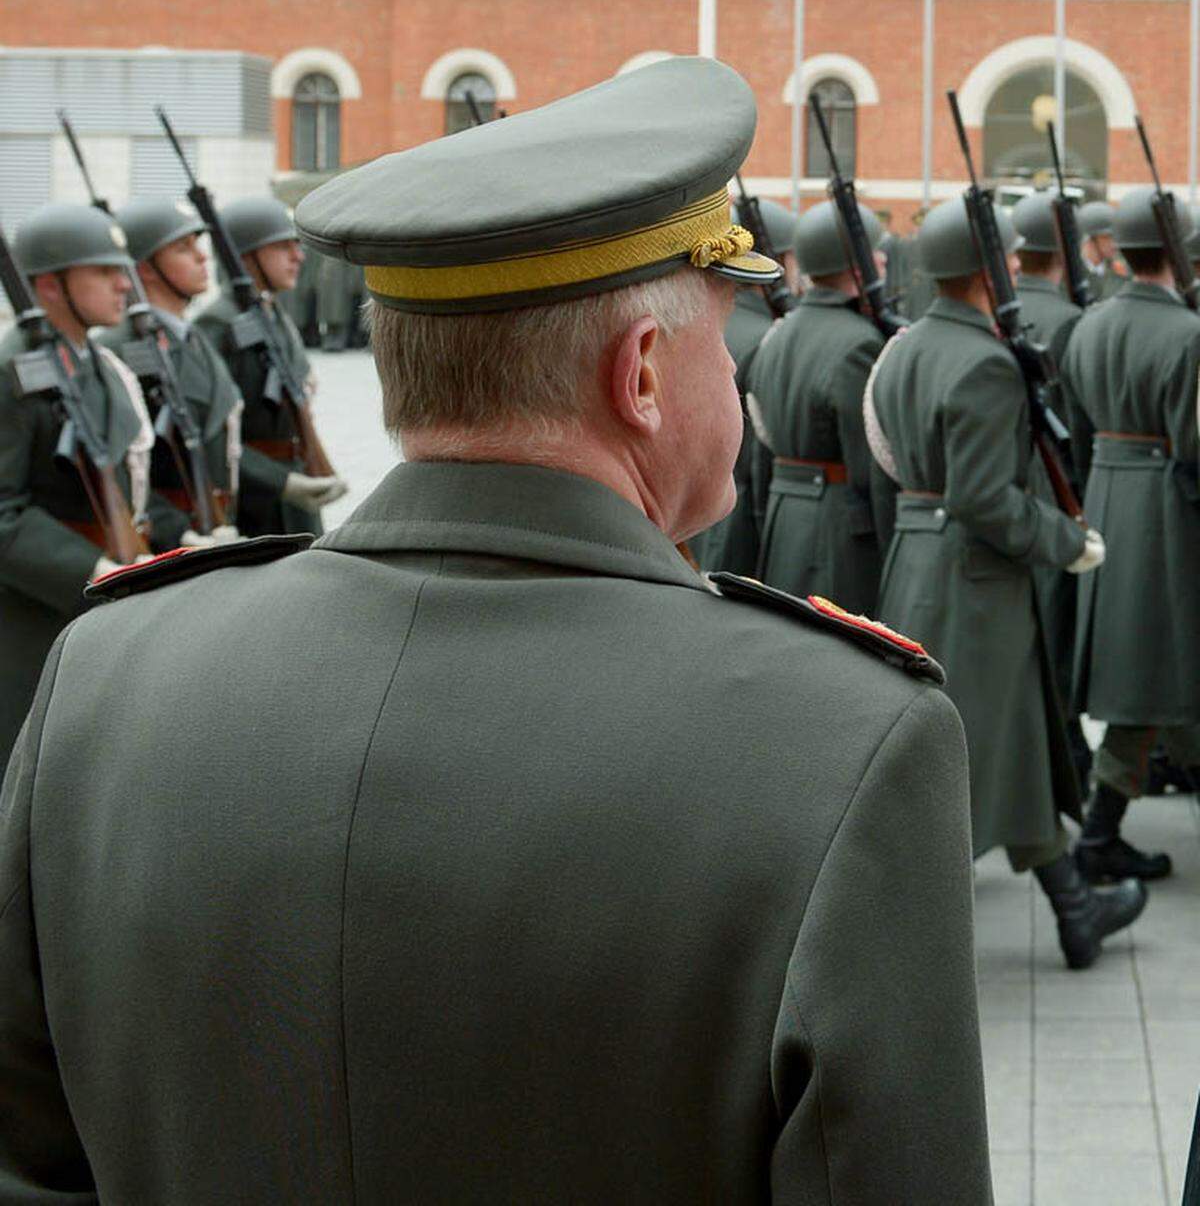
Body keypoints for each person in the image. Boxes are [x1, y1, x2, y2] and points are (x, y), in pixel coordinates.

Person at [0, 58, 992, 1204]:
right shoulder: (850, 741)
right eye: (723, 334)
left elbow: (31, 1160)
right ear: (643, 375)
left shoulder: (109, 676)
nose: (736, 368)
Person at [867, 195, 1146, 969]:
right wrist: (1066, 540)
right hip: (974, 582)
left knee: (1012, 745)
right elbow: (985, 497)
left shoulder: (907, 345)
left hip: (920, 563)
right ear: (992, 270)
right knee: (957, 765)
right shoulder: (984, 362)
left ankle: (1075, 911)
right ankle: (903, 943)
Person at [1060, 186, 1200, 882]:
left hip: (1109, 499)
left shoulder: (1088, 325)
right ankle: (1098, 834)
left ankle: (1101, 830)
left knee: (1151, 672)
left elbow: (1078, 434)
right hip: (1170, 513)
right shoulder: (1188, 333)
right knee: (1164, 668)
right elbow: (1193, 445)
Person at [0, 202, 153, 767]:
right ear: (50, 286)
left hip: (95, 608)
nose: (123, 283)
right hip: (33, 621)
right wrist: (90, 567)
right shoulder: (12, 366)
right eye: (102, 271)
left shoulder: (91, 360)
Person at [746, 198, 895, 614]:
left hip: (783, 519)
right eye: (874, 251)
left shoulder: (777, 334)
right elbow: (869, 470)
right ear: (856, 264)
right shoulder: (860, 343)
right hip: (837, 532)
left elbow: (762, 451)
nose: (882, 259)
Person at [194, 196, 346, 536]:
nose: (298, 256)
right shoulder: (218, 323)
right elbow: (214, 434)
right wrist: (282, 481)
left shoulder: (271, 311)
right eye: (282, 247)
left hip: (295, 485)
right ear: (245, 257)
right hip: (256, 501)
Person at [98, 196, 243, 551]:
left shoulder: (190, 335)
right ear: (145, 269)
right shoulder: (119, 349)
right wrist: (175, 529)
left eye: (198, 244)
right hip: (167, 542)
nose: (202, 256)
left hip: (215, 524)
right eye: (183, 248)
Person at [1011, 190, 1092, 793]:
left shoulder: (1007, 311)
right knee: (1059, 634)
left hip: (1019, 485)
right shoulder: (1069, 321)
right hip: (1058, 487)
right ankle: (1068, 761)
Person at [688, 194, 797, 575]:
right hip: (739, 524)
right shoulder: (766, 340)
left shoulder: (694, 330)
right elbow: (759, 462)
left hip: (693, 517)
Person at [1078, 199, 1127, 301]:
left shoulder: (1121, 272)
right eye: (1108, 237)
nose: (1115, 244)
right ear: (1090, 239)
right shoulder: (1070, 275)